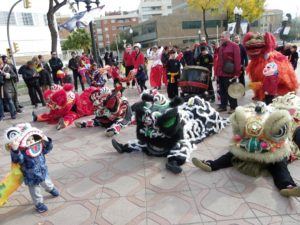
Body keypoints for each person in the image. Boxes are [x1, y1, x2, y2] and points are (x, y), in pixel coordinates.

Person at [8, 123, 59, 213]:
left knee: (47, 182)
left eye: (33, 137)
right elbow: (17, 160)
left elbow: (47, 149)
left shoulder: (38, 145)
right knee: (35, 191)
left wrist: (46, 141)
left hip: (42, 170)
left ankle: (50, 189)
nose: (32, 140)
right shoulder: (22, 151)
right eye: (29, 139)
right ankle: (39, 203)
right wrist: (15, 150)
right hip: (30, 175)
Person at [215, 31, 241, 114]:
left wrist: (237, 73)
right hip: (221, 73)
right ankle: (223, 106)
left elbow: (237, 60)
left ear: (227, 36)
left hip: (230, 73)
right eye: (220, 36)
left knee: (231, 90)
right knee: (222, 91)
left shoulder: (235, 46)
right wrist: (216, 73)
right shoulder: (221, 47)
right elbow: (218, 61)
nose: (221, 38)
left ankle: (234, 107)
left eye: (222, 36)